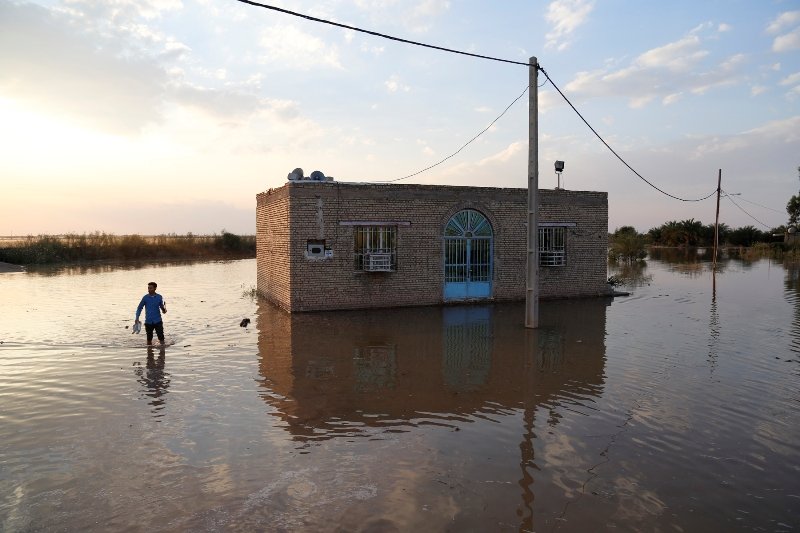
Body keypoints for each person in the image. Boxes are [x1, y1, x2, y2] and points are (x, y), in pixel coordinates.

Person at [135, 281, 167, 346]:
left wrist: (164, 310)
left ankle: (162, 352)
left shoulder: (159, 297)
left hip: (158, 320)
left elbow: (161, 306)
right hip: (148, 321)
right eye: (148, 288)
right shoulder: (145, 298)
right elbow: (139, 308)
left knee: (161, 337)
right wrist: (137, 318)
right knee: (149, 338)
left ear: (155, 288)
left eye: (151, 288)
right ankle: (149, 352)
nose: (149, 290)